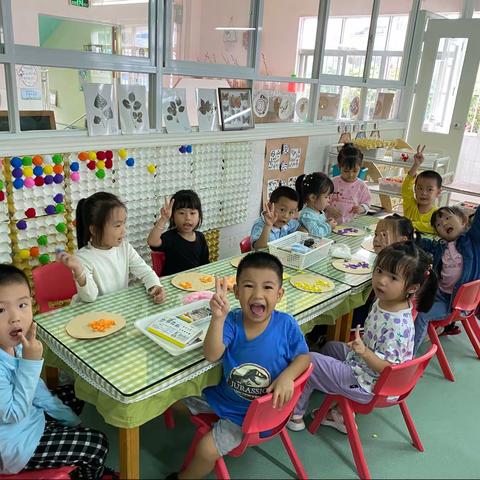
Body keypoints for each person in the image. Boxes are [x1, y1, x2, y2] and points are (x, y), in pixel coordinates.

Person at [172, 252, 310, 479]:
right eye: (248, 286)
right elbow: (211, 354)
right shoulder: (232, 320)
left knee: (206, 450)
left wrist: (287, 376)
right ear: (236, 292)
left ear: (280, 294)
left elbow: (304, 357)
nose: (257, 294)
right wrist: (217, 318)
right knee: (172, 402)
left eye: (267, 287)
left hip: (252, 416)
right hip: (224, 398)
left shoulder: (286, 325)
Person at [287, 241, 437, 433]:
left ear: (412, 288)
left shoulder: (397, 326)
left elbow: (389, 369)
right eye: (380, 271)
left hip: (369, 384)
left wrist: (365, 352)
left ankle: (296, 416)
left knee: (310, 361)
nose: (382, 280)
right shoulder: (387, 300)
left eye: (393, 277)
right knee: (330, 347)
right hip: (365, 368)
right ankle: (337, 409)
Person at [0, 264, 111, 479]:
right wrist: (30, 365)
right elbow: (13, 415)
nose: (16, 318)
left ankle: (80, 456)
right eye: (0, 310)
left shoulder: (17, 344)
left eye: (22, 305)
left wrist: (72, 422)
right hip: (15, 446)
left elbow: (38, 392)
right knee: (98, 444)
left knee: (79, 391)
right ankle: (85, 471)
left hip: (32, 419)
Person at [57, 192, 164, 304]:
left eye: (124, 224)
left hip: (116, 309)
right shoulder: (83, 258)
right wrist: (79, 270)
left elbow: (145, 272)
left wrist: (155, 286)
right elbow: (90, 297)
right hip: (92, 314)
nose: (124, 230)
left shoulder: (125, 248)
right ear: (94, 230)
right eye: (117, 225)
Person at [414, 206, 480, 352]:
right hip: (439, 293)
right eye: (438, 224)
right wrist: (412, 238)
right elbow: (426, 244)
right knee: (410, 301)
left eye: (447, 218)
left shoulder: (473, 241)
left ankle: (407, 356)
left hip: (453, 303)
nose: (443, 223)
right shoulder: (442, 247)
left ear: (463, 221)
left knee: (422, 316)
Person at [350, 214, 416, 330]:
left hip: (375, 323)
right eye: (376, 234)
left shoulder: (401, 267)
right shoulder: (383, 257)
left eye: (384, 235)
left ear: (402, 241)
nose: (377, 239)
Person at [148, 190, 209, 276]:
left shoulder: (200, 237)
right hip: (171, 284)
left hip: (194, 282)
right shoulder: (170, 237)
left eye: (192, 213)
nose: (188, 218)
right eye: (181, 213)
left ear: (199, 215)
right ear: (173, 216)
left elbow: (205, 264)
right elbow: (152, 242)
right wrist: (164, 219)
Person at [326, 143, 371, 224]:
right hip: (330, 224)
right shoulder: (332, 183)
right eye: (346, 171)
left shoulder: (361, 186)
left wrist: (362, 208)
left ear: (360, 167)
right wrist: (328, 208)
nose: (351, 175)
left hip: (351, 224)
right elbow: (321, 200)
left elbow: (367, 203)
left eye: (355, 171)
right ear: (339, 166)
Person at [401, 145, 442, 234]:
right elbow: (406, 188)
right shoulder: (410, 206)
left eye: (430, 189)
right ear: (415, 189)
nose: (423, 193)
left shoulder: (439, 215)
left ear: (438, 192)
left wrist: (410, 224)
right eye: (419, 188)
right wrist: (416, 165)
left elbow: (434, 228)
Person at [296, 172, 336, 237]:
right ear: (312, 197)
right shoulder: (307, 216)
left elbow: (320, 226)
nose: (329, 200)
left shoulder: (319, 211)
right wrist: (328, 226)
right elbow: (316, 234)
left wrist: (327, 222)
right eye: (326, 197)